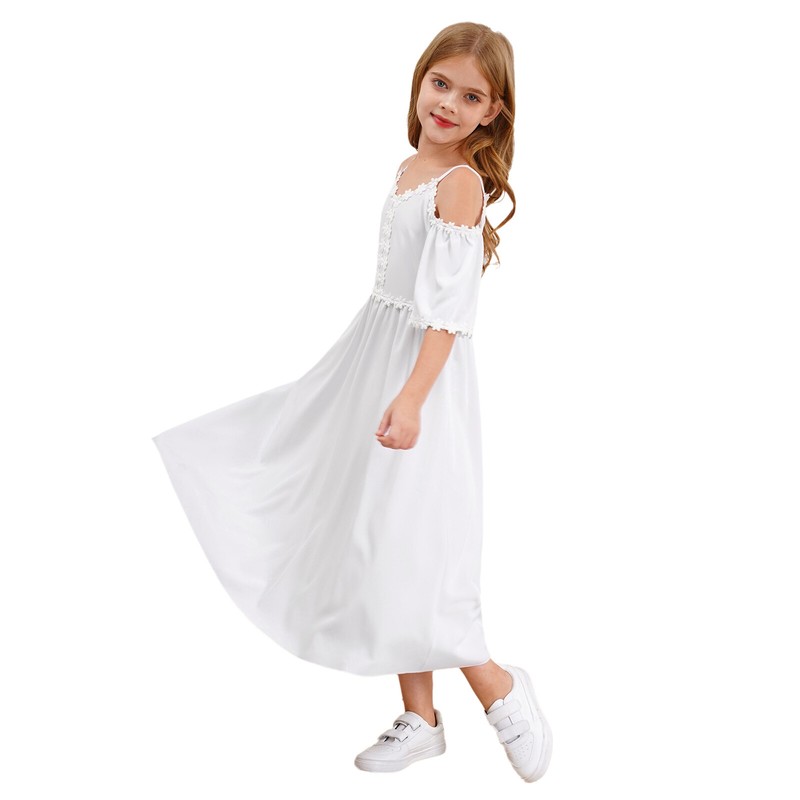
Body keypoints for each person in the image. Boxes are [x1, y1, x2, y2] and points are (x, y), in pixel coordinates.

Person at [152, 21, 551, 783]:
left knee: (418, 540)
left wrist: (412, 398)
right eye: (440, 84)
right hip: (376, 360)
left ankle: (498, 686)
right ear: (419, 79)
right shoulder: (409, 168)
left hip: (421, 377)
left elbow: (447, 313)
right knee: (379, 536)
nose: (448, 104)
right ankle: (421, 718)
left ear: (494, 112)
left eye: (471, 97)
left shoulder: (458, 184)